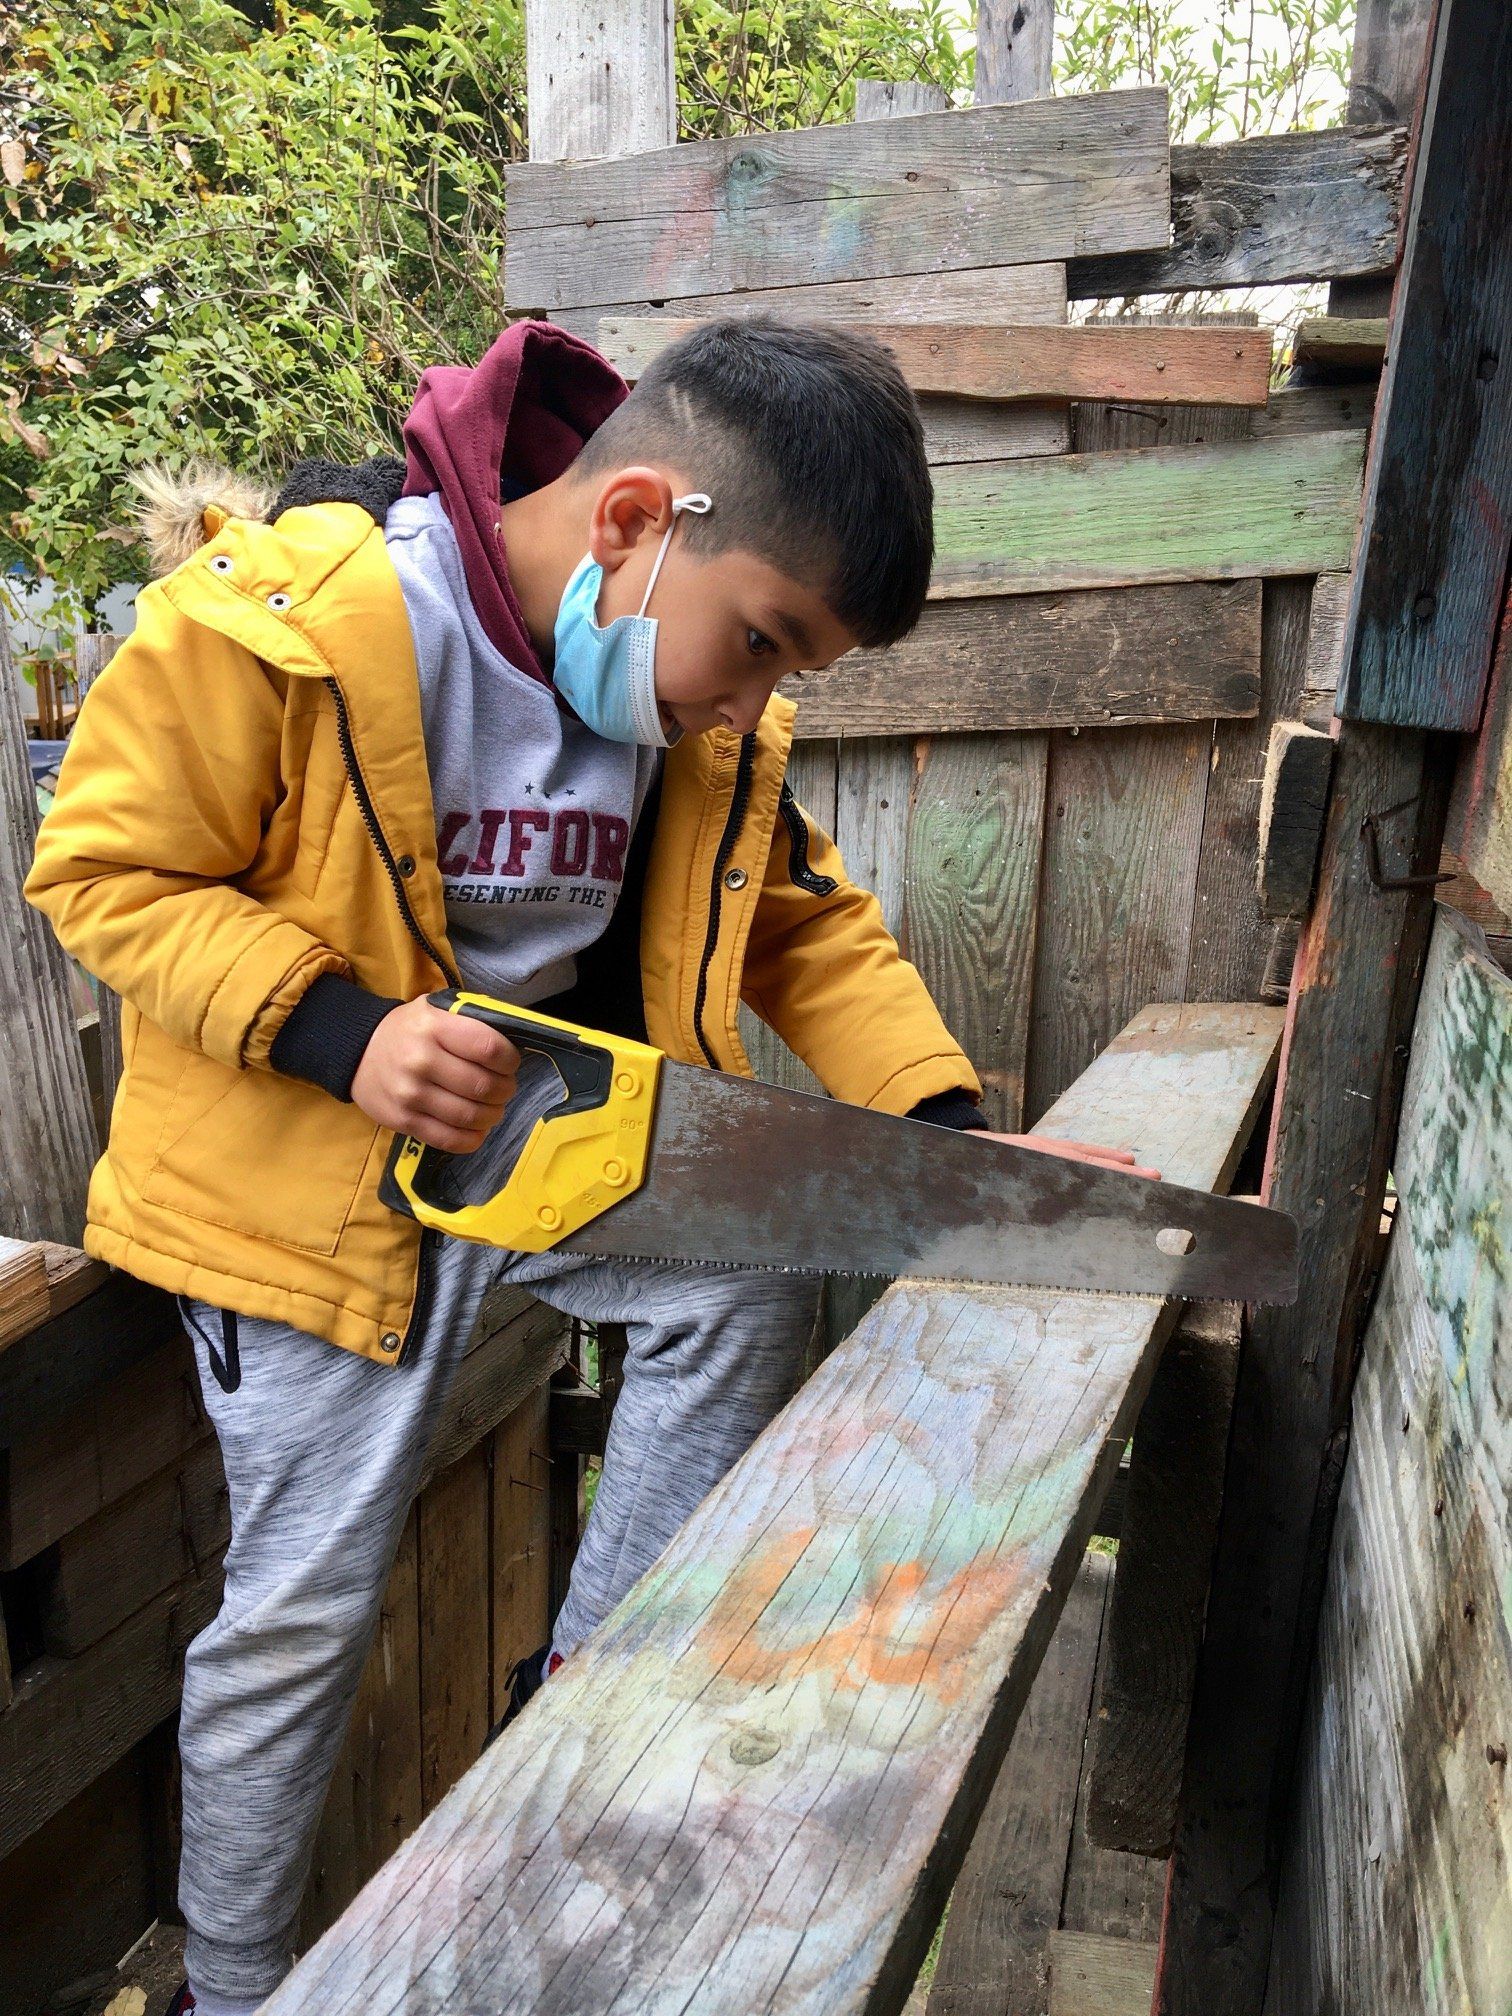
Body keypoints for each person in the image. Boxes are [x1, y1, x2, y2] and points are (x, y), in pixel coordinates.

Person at [25, 316, 1145, 2015]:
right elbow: (104, 872)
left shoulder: (685, 713)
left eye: (788, 675)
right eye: (759, 644)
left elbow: (803, 925)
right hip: (303, 1197)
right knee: (301, 1617)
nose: (749, 700)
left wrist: (945, 1138)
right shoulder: (283, 625)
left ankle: (585, 1709)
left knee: (742, 1274)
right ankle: (231, 1988)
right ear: (634, 520)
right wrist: (338, 1031)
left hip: (541, 1154)